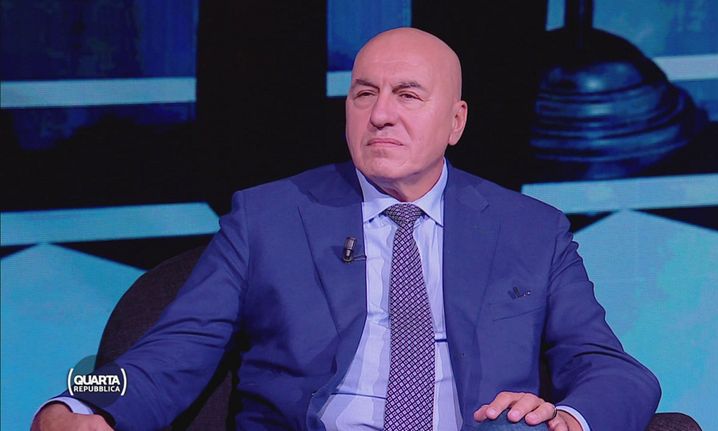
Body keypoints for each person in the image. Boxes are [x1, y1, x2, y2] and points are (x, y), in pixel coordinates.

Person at [32, 27, 660, 431]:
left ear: (456, 121)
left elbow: (618, 372)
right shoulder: (267, 217)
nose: (381, 114)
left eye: (407, 95)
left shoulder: (532, 231)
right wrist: (78, 399)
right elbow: (169, 352)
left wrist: (571, 420)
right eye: (364, 94)